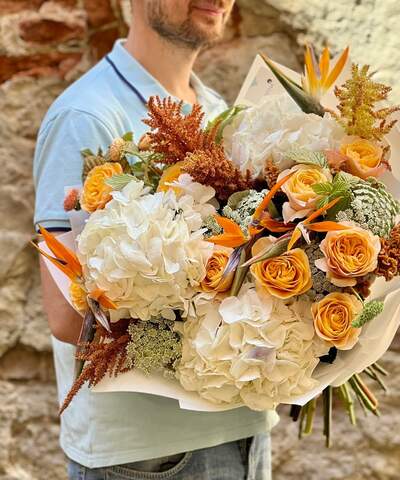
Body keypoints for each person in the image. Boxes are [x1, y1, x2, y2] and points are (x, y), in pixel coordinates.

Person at [33, 1, 279, 479]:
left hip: (245, 428)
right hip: (149, 457)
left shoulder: (223, 114)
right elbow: (66, 316)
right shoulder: (86, 115)